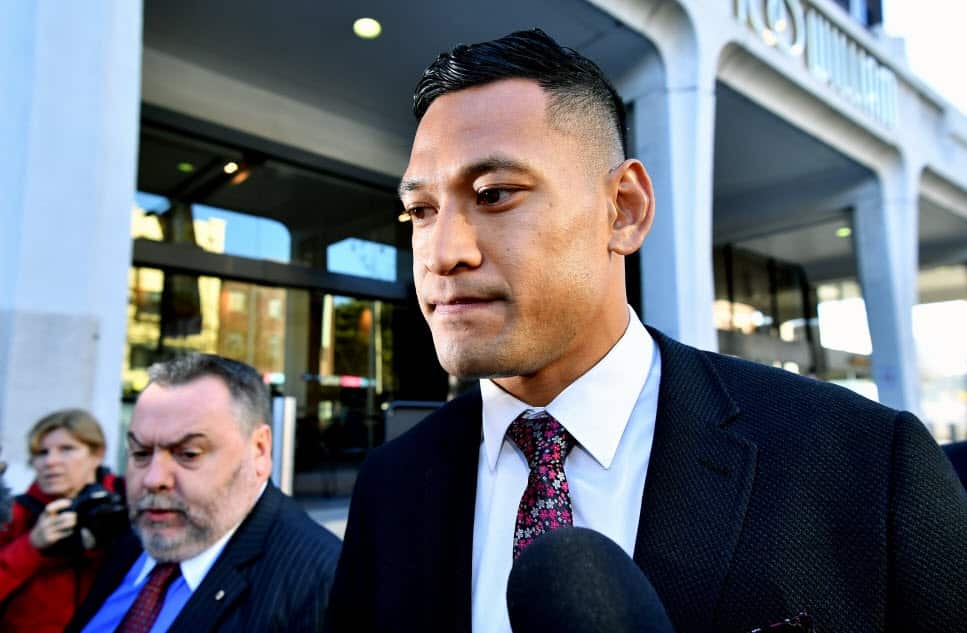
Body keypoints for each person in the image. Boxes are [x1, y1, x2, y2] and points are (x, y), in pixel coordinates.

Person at [325, 29, 967, 633]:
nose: (442, 253)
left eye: (494, 194)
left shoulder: (865, 464)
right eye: (420, 210)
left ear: (624, 210)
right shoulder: (391, 485)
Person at [66, 354, 341, 633]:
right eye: (140, 453)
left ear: (259, 450)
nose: (153, 479)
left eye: (188, 454)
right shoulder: (128, 538)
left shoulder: (322, 585)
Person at [0, 409, 126, 633]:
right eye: (41, 453)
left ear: (97, 454)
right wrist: (31, 546)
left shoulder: (127, 503)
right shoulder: (13, 513)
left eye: (67, 449)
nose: (50, 461)